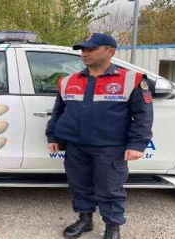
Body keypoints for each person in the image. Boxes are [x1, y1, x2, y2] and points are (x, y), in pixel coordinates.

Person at [46, 33, 153, 239]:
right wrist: (53, 137)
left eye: (91, 49)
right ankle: (85, 220)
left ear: (110, 52)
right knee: (79, 186)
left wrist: (137, 144)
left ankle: (113, 228)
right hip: (76, 146)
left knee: (109, 190)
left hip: (111, 148)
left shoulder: (132, 79)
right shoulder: (67, 81)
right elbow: (59, 112)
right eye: (83, 49)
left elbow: (143, 116)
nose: (85, 53)